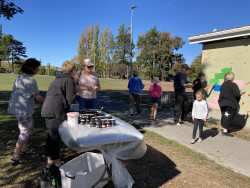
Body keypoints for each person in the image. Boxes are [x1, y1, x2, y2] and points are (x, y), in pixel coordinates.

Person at [8, 58, 45, 166]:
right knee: (24, 132)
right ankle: (15, 157)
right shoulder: (30, 79)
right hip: (22, 110)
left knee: (29, 129)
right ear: (32, 68)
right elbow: (37, 97)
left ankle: (24, 149)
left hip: (20, 109)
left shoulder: (20, 77)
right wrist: (50, 101)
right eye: (37, 68)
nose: (38, 70)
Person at [41, 61, 76, 169]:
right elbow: (70, 99)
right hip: (55, 111)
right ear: (73, 70)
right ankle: (57, 162)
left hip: (47, 109)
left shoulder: (57, 79)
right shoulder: (69, 80)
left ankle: (50, 160)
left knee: (50, 135)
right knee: (54, 137)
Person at [218, 72, 246, 137]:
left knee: (224, 116)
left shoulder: (223, 84)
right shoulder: (233, 85)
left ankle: (223, 129)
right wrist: (242, 92)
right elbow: (236, 95)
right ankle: (225, 131)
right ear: (232, 77)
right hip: (230, 104)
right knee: (228, 117)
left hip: (222, 103)